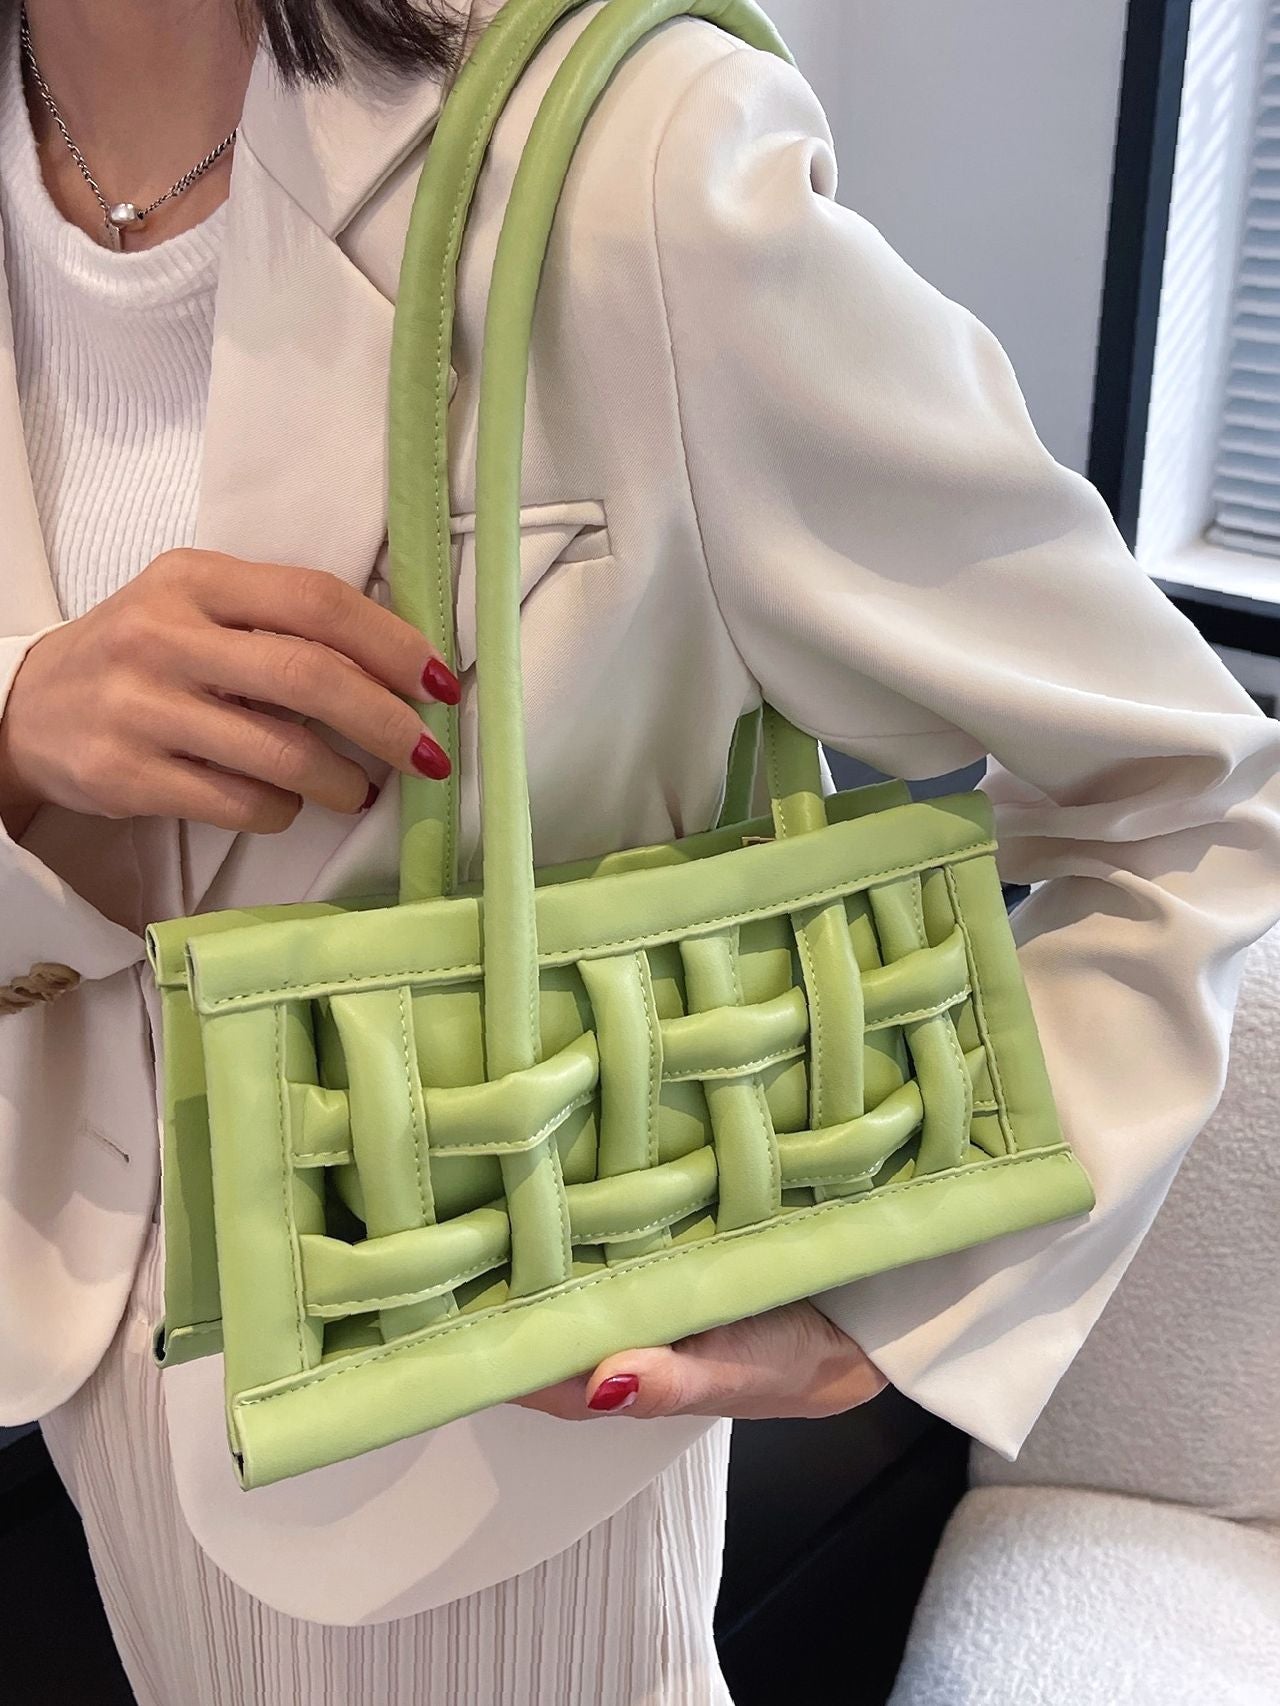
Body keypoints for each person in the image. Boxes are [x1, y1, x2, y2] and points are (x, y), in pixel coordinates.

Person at [0, 0, 1274, 1701]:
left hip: (493, 1481)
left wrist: (907, 1283)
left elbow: (1187, 786)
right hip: (86, 1394)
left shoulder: (628, 158)